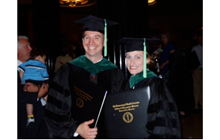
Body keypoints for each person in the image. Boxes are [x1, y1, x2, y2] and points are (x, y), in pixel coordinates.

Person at [45, 15, 125, 139]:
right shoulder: (67, 71)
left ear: (104, 42)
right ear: (82, 42)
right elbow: (54, 109)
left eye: (96, 37)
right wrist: (76, 128)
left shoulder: (115, 74)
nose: (91, 42)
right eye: (87, 37)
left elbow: (121, 112)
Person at [120, 38, 181, 138]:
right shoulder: (127, 84)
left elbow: (163, 122)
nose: (132, 62)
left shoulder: (156, 84)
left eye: (138, 57)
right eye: (129, 57)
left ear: (147, 60)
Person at [17, 35, 49, 138]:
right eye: (27, 46)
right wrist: (37, 94)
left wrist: (39, 90)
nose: (31, 48)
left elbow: (49, 85)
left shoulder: (37, 66)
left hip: (42, 125)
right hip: (22, 127)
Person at [190, 30, 203, 110]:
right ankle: (196, 105)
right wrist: (192, 68)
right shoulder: (195, 48)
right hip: (197, 70)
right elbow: (192, 59)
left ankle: (202, 103)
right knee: (196, 87)